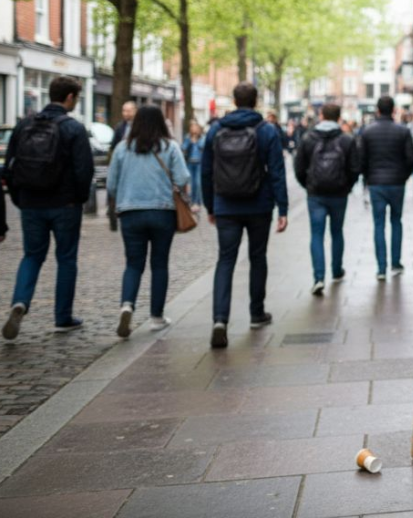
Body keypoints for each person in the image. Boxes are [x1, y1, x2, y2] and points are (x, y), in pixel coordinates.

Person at [2, 77, 95, 339]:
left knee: (32, 255)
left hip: (31, 203)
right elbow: (83, 169)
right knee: (66, 258)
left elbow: (9, 165)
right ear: (69, 98)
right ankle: (62, 316)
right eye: (76, 97)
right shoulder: (73, 128)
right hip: (64, 204)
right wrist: (77, 199)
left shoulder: (25, 124)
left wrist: (20, 198)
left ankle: (20, 301)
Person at [202, 83, 289, 349]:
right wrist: (282, 208)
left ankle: (220, 319)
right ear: (256, 100)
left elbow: (206, 171)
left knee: (225, 260)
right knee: (257, 257)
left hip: (226, 205)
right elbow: (276, 170)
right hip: (258, 205)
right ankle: (256, 313)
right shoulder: (266, 130)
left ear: (234, 100)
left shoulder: (216, 129)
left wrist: (210, 206)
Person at [107, 105, 190, 338]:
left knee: (133, 263)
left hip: (130, 212)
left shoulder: (123, 148)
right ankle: (156, 317)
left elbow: (111, 184)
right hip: (162, 211)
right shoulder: (170, 146)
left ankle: (127, 305)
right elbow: (183, 177)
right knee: (159, 263)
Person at [294, 103, 360, 295]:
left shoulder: (308, 138)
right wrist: (347, 186)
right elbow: (354, 168)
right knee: (337, 232)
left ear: (321, 116)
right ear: (339, 117)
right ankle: (337, 270)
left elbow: (299, 167)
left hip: (316, 194)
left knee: (316, 234)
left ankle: (318, 277)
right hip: (339, 193)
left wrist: (308, 185)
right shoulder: (346, 140)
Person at [359, 96, 413, 280]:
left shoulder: (367, 132)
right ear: (393, 110)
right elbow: (411, 159)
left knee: (378, 224)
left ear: (377, 110)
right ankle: (396, 263)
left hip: (376, 184)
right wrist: (403, 176)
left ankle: (381, 268)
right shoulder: (403, 131)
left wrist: (369, 177)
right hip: (397, 183)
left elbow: (362, 159)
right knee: (396, 221)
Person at [182, 120, 206, 211]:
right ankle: (191, 202)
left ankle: (197, 202)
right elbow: (183, 148)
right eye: (192, 127)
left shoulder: (202, 138)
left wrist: (196, 140)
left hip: (199, 163)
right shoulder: (187, 137)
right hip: (190, 163)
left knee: (198, 183)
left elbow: (203, 146)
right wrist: (190, 141)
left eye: (196, 127)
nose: (194, 129)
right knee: (190, 184)